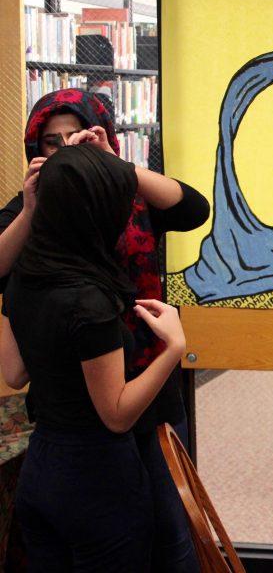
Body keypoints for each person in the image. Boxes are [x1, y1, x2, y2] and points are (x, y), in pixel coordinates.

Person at [0, 88, 207, 571]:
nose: (68, 148)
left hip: (68, 442)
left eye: (79, 136)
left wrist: (112, 165)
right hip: (97, 447)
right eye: (54, 142)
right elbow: (114, 415)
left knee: (168, 532)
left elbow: (193, 208)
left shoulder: (32, 283)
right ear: (36, 151)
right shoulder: (88, 299)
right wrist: (174, 346)